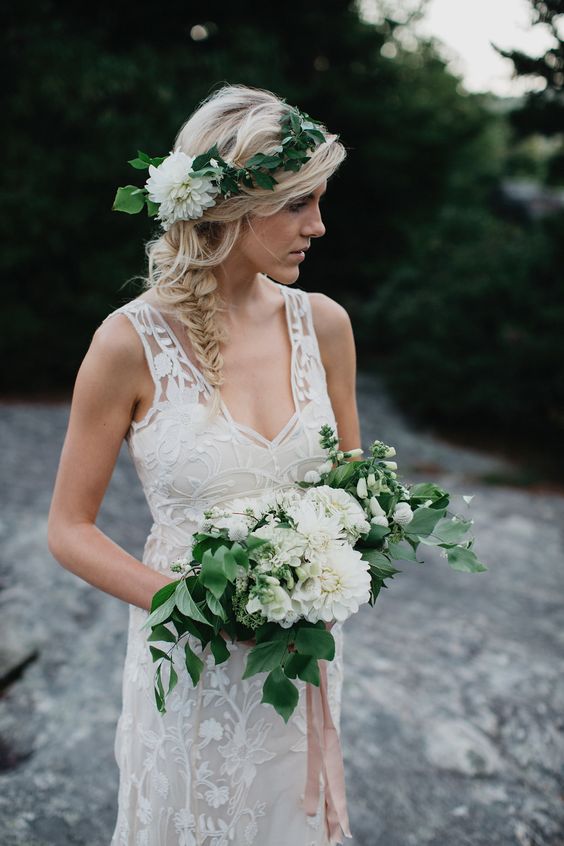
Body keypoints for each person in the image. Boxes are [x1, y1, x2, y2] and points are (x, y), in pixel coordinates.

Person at [48, 84, 361, 846]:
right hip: (189, 661)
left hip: (303, 650)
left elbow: (359, 494)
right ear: (231, 205)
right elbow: (68, 528)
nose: (318, 226)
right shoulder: (128, 343)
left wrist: (334, 563)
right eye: (297, 205)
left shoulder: (324, 325)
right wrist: (195, 607)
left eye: (319, 202)